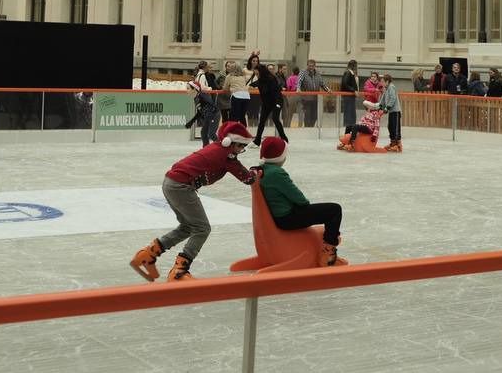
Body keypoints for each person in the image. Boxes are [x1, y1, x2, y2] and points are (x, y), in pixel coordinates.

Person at [130, 121, 257, 282]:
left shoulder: (219, 149)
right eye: (241, 147)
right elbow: (247, 179)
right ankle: (179, 271)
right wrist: (257, 172)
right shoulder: (226, 155)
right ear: (231, 143)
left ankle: (147, 255)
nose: (241, 150)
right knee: (202, 228)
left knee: (188, 227)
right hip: (181, 186)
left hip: (170, 183)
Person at [257, 137, 346, 267]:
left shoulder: (262, 170)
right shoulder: (277, 174)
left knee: (326, 210)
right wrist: (305, 207)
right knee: (334, 210)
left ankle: (327, 246)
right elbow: (299, 199)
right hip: (287, 218)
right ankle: (328, 252)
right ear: (280, 157)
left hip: (279, 216)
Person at [184, 62, 220, 146]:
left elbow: (212, 106)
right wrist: (191, 122)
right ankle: (206, 150)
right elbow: (200, 111)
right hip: (209, 115)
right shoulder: (196, 98)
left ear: (194, 89)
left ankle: (222, 148)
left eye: (188, 88)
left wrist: (209, 119)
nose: (186, 90)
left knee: (210, 134)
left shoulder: (202, 96)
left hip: (214, 114)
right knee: (204, 133)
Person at [253, 63, 288, 145]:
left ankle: (284, 138)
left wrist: (277, 104)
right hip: (267, 104)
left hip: (277, 101)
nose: (257, 75)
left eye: (257, 74)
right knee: (262, 121)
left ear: (261, 72)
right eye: (255, 74)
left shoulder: (271, 79)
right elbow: (254, 84)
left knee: (275, 118)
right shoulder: (260, 80)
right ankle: (257, 140)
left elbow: (276, 92)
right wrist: (248, 86)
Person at [296, 59, 325, 129]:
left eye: (312, 66)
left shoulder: (318, 73)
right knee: (308, 115)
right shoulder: (303, 72)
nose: (311, 67)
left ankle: (311, 127)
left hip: (315, 98)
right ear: (307, 66)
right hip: (306, 99)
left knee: (315, 115)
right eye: (309, 66)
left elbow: (322, 83)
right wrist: (298, 88)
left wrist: (328, 90)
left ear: (315, 66)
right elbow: (299, 81)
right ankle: (307, 128)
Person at [379, 73, 403, 152]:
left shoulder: (391, 87)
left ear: (387, 81)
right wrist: (380, 106)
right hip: (391, 112)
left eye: (382, 81)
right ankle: (392, 142)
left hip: (395, 111)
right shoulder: (386, 88)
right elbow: (383, 98)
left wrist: (387, 107)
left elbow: (392, 98)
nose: (381, 83)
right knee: (390, 126)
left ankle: (398, 144)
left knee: (395, 128)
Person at [340, 60, 359, 127]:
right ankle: (348, 126)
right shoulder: (348, 73)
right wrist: (354, 90)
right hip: (348, 96)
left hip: (351, 96)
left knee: (351, 112)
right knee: (348, 112)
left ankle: (351, 126)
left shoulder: (351, 73)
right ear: (353, 66)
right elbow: (345, 83)